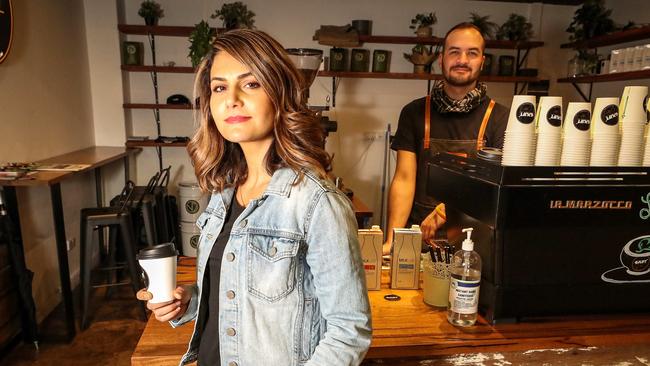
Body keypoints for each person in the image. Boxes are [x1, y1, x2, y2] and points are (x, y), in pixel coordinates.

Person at [137, 29, 372, 366]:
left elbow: (349, 330)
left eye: (250, 84)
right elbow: (233, 295)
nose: (231, 98)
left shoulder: (316, 203)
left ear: (279, 94)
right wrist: (188, 300)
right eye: (219, 87)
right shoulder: (224, 192)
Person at [383, 23, 508, 254]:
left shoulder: (501, 118)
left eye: (472, 53)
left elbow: (493, 188)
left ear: (482, 60)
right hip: (418, 237)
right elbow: (404, 179)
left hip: (473, 245)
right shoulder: (414, 112)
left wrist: (445, 210)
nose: (462, 59)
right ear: (441, 59)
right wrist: (394, 241)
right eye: (454, 51)